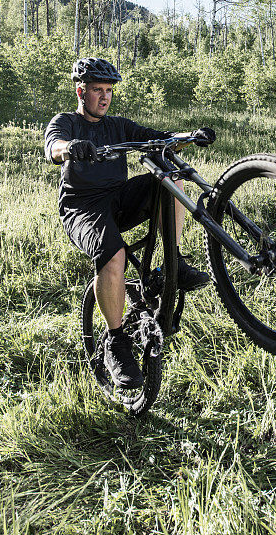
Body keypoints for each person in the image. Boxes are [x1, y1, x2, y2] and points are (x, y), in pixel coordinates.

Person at [44, 57, 215, 390]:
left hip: (118, 198)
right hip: (82, 208)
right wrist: (71, 148)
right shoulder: (66, 121)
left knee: (171, 179)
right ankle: (116, 342)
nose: (105, 97)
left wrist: (190, 137)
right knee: (114, 257)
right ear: (81, 91)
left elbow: (160, 139)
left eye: (109, 91)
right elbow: (53, 146)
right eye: (97, 90)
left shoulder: (118, 125)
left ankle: (173, 264)